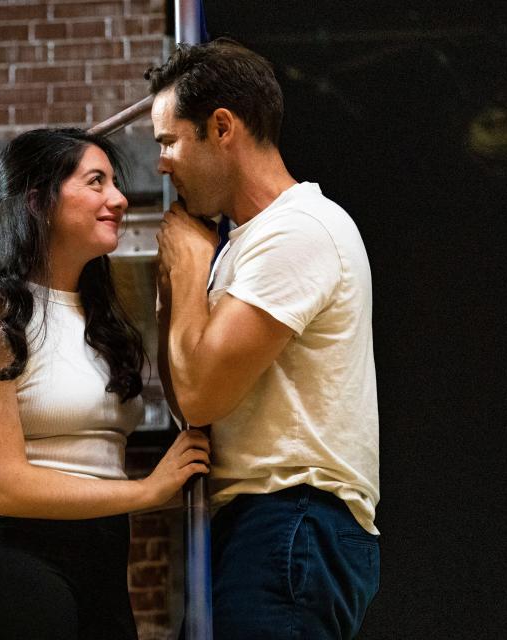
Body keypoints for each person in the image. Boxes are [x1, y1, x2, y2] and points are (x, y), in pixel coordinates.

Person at [0, 128, 210, 640]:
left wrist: (177, 292)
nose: (118, 199)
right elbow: (6, 488)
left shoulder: (104, 322)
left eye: (115, 183)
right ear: (38, 200)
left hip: (101, 560)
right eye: (96, 182)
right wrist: (147, 491)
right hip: (10, 557)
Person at [146, 39, 380, 638]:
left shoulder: (298, 230)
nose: (162, 163)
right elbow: (186, 400)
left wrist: (191, 270)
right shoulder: (244, 244)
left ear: (222, 127)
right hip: (260, 522)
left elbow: (199, 396)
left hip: (292, 518)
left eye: (168, 140)